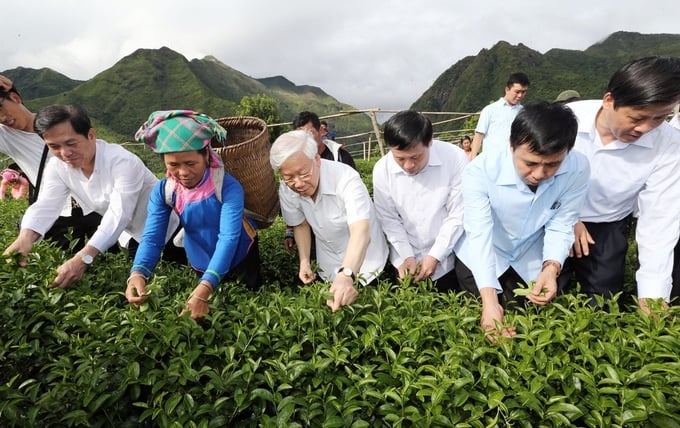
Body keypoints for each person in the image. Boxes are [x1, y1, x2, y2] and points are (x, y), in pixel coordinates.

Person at [3, 104, 182, 288]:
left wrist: (83, 257)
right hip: (133, 237)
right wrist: (24, 238)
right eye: (54, 146)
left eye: (71, 143)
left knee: (179, 277)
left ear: (91, 135)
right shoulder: (58, 167)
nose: (65, 153)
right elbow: (46, 205)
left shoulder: (122, 162)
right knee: (144, 284)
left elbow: (119, 214)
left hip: (169, 230)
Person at [454, 101, 590, 341]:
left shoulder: (578, 168)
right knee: (483, 317)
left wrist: (551, 268)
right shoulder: (481, 171)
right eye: (530, 163)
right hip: (488, 253)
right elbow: (480, 234)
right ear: (511, 145)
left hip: (531, 252)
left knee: (538, 319)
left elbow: (562, 223)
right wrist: (489, 302)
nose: (539, 174)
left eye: (552, 165)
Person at [560, 56, 680, 313]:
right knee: (539, 293)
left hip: (607, 226)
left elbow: (659, 221)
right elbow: (533, 176)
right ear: (609, 101)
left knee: (602, 304)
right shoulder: (564, 120)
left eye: (659, 118)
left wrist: (653, 297)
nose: (646, 128)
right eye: (637, 117)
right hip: (550, 216)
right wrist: (569, 217)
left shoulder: (669, 145)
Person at [126, 110, 261, 320]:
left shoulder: (227, 186)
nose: (183, 172)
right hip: (200, 256)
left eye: (190, 163)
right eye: (173, 165)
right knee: (208, 314)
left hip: (241, 254)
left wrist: (204, 288)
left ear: (206, 155)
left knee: (248, 309)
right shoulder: (165, 190)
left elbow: (228, 238)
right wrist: (138, 273)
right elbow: (152, 238)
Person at [270, 129, 388, 312]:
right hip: (329, 264)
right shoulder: (287, 189)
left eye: (303, 174)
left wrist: (347, 275)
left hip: (366, 263)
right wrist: (305, 261)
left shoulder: (346, 179)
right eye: (289, 178)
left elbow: (361, 232)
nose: (298, 183)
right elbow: (300, 224)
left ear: (316, 160)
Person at [0, 74, 101, 250]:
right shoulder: (7, 135)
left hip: (95, 207)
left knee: (110, 263)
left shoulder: (58, 123)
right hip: (57, 215)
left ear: (15, 98)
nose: (2, 118)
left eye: (1, 110)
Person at [373, 110, 467, 292]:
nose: (408, 166)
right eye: (399, 158)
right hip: (404, 260)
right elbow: (389, 219)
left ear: (430, 141)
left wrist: (435, 255)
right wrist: (406, 256)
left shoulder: (454, 158)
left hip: (448, 258)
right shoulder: (382, 170)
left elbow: (458, 214)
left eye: (416, 157)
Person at [284, 111, 356, 255]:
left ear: (321, 131)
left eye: (310, 134)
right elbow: (293, 199)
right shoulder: (295, 163)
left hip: (342, 228)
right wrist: (290, 229)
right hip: (312, 230)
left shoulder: (341, 157)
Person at [470, 72, 530, 158]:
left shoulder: (523, 112)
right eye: (517, 92)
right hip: (491, 160)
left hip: (514, 161)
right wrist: (473, 159)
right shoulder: (490, 110)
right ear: (507, 89)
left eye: (523, 92)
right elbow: (479, 135)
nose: (520, 95)